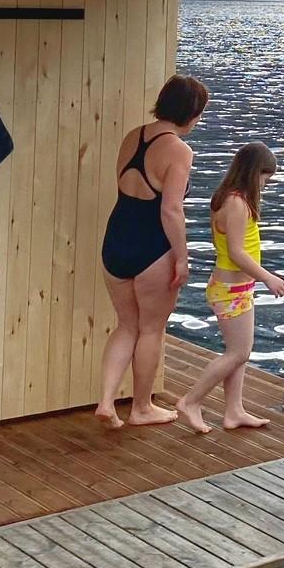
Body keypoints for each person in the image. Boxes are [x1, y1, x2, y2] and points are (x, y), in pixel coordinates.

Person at [95, 73, 208, 427]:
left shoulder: (134, 136)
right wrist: (183, 257)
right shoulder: (179, 150)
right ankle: (141, 407)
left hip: (116, 239)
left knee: (126, 325)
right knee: (151, 329)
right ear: (190, 112)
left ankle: (106, 402)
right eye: (200, 113)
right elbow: (171, 209)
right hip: (152, 246)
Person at [176, 143, 284, 434]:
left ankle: (234, 410)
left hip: (237, 288)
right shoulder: (236, 203)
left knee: (240, 351)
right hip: (230, 289)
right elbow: (237, 252)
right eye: (265, 178)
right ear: (254, 173)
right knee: (238, 353)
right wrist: (268, 277)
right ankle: (191, 400)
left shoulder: (228, 198)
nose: (265, 184)